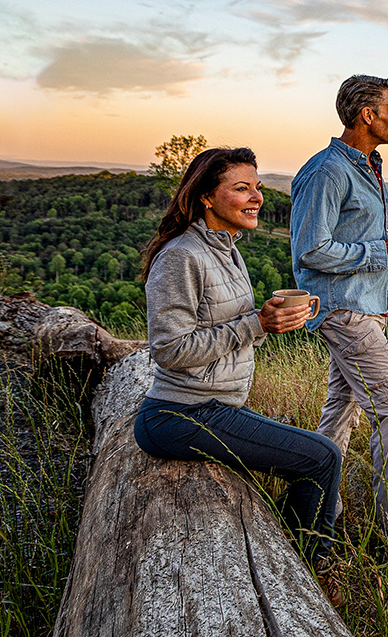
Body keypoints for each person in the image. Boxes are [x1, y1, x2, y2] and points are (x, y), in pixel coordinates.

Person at [135, 147, 342, 563]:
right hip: (181, 414)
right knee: (322, 456)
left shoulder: (227, 249)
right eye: (241, 188)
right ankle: (312, 561)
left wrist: (268, 320)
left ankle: (286, 545)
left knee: (313, 453)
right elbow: (169, 349)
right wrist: (256, 325)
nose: (256, 198)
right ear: (207, 197)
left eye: (258, 188)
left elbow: (233, 329)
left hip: (213, 406)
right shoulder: (181, 255)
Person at [291, 74, 388, 544]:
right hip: (343, 312)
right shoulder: (327, 171)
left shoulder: (369, 167)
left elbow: (364, 244)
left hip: (365, 310)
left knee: (339, 413)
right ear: (368, 115)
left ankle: (314, 512)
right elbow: (310, 251)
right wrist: (381, 251)